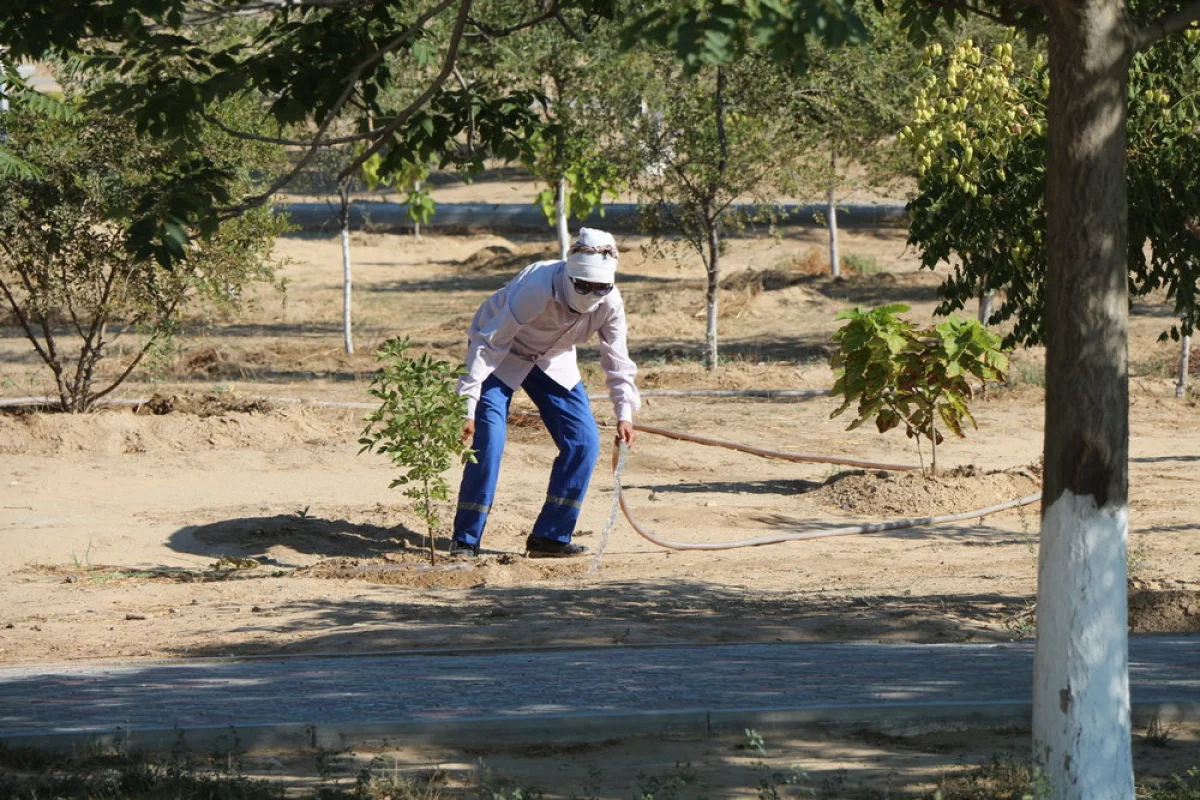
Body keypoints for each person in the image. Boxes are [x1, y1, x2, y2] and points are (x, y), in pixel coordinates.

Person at [450, 228, 640, 558]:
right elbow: (489, 342)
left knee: (584, 442)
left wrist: (625, 413)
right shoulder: (537, 286)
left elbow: (617, 359)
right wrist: (468, 403)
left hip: (553, 360)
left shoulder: (610, 303)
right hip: (501, 356)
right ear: (569, 274)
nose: (592, 292)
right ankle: (466, 540)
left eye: (600, 287)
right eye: (584, 285)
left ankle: (550, 536)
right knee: (490, 440)